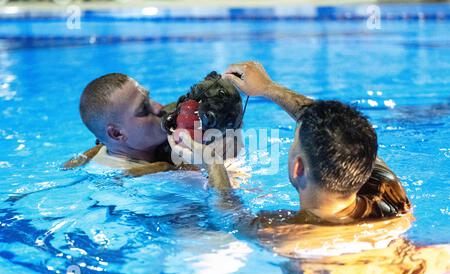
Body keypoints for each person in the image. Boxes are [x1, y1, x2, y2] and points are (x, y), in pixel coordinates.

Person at [170, 61, 411, 224]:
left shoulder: (289, 234)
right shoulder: (391, 199)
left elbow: (228, 214)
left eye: (293, 143)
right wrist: (267, 87)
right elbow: (341, 127)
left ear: (298, 168)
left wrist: (213, 163)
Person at [64, 73, 248, 184]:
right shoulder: (140, 184)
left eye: (149, 98)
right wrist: (211, 163)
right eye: (144, 109)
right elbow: (230, 212)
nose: (159, 107)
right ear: (117, 134)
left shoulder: (109, 149)